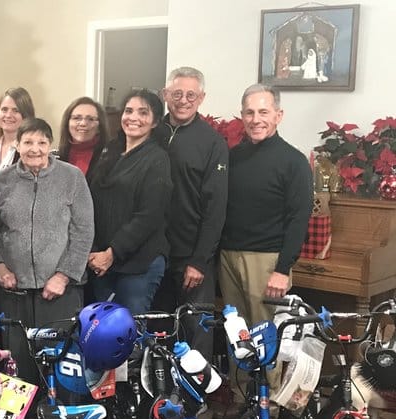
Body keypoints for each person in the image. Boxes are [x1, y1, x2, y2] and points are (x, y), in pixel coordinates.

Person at [0, 118, 94, 384]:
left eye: (41, 142)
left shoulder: (72, 178)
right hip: (14, 291)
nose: (35, 148)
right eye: (28, 142)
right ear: (17, 144)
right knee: (17, 363)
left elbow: (83, 232)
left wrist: (63, 275)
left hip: (60, 291)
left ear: (50, 145)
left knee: (60, 360)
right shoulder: (2, 181)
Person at [220, 84, 312, 356]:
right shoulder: (232, 157)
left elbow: (299, 219)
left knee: (266, 334)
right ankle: (241, 394)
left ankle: (267, 398)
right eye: (249, 113)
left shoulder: (294, 162)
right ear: (241, 116)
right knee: (237, 335)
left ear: (278, 115)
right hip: (228, 256)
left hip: (268, 261)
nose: (256, 119)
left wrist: (283, 269)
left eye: (263, 112)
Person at [153, 67, 228, 358]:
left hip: (193, 258)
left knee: (196, 332)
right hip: (154, 254)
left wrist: (199, 261)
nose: (183, 100)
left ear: (201, 98)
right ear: (165, 95)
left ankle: (196, 401)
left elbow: (216, 207)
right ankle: (160, 398)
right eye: (177, 93)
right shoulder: (151, 133)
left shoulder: (212, 143)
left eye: (190, 95)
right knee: (159, 330)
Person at [87, 89, 171, 315]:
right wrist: (95, 251)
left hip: (139, 264)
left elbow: (149, 215)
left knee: (130, 335)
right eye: (129, 111)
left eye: (143, 113)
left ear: (154, 122)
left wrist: (112, 253)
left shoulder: (157, 158)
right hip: (102, 262)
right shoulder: (110, 151)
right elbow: (93, 205)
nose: (133, 117)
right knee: (102, 333)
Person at [0, 87, 35, 180]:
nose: (8, 115)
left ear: (26, 115)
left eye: (16, 111)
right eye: (4, 109)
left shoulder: (31, 152)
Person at [54, 96, 110, 178]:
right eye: (77, 118)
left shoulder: (109, 158)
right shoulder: (54, 159)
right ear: (67, 123)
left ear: (100, 126)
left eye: (90, 119)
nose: (83, 123)